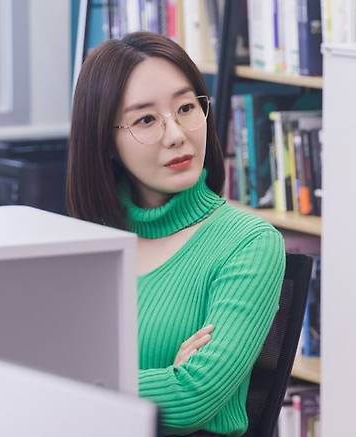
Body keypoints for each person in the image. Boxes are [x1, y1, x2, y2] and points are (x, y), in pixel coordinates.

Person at [67, 32, 285, 437]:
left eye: (186, 108)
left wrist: (76, 387)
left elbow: (192, 396)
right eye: (146, 120)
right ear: (106, 141)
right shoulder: (87, 243)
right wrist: (161, 377)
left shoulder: (249, 243)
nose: (176, 135)